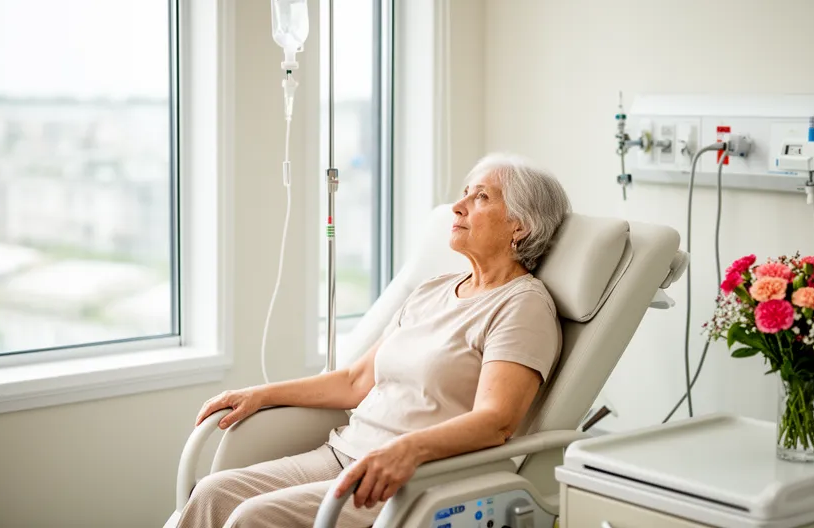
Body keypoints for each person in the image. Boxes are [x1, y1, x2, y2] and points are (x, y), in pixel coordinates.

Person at [179, 153, 572, 528]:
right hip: (343, 452)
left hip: (409, 477)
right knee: (213, 492)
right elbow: (355, 381)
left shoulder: (523, 307)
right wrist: (261, 394)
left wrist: (407, 450)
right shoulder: (433, 291)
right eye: (465, 191)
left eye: (481, 196)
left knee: (252, 520)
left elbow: (496, 421)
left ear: (520, 225)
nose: (459, 205)